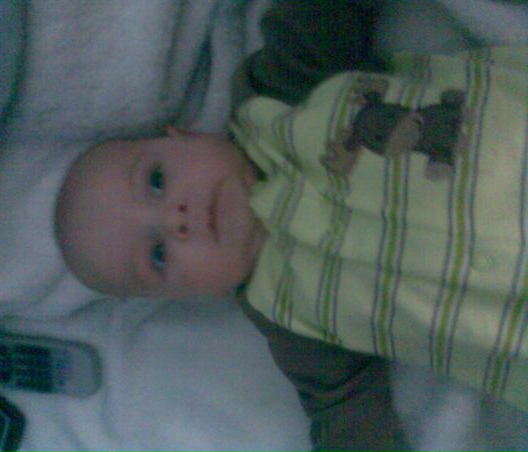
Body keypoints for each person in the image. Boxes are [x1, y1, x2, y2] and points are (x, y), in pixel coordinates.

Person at [54, 1, 527, 450]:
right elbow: (345, 412)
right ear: (191, 294)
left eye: (156, 181)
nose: (175, 219)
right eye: (158, 255)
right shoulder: (289, 320)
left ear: (185, 136)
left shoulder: (280, 92)